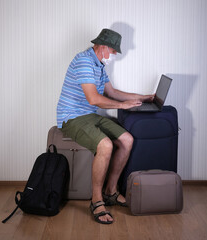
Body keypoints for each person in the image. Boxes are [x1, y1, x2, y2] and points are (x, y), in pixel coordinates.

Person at [57, 29, 154, 224]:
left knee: (127, 140)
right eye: (114, 50)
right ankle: (96, 200)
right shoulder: (84, 61)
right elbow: (94, 98)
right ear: (102, 47)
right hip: (72, 117)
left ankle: (110, 191)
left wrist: (142, 97)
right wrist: (122, 105)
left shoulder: (99, 64)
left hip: (90, 116)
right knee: (106, 145)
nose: (116, 54)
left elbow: (112, 92)